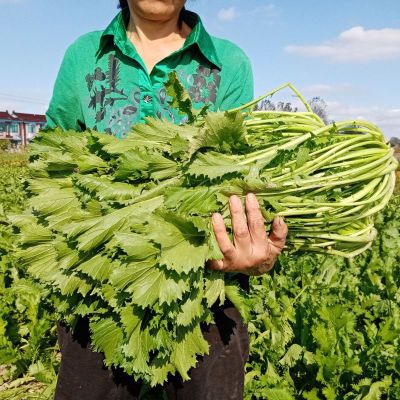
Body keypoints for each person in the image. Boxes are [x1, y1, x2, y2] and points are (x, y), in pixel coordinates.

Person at [46, 1, 288, 399]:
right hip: (94, 287)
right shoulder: (83, 56)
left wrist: (254, 252)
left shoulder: (228, 62)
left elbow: (235, 174)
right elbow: (52, 158)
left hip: (205, 288)